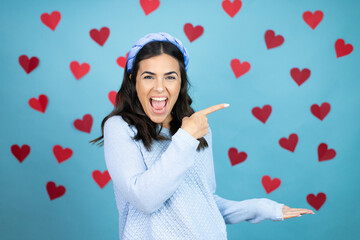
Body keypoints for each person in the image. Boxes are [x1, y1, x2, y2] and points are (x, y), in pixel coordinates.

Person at [90, 32, 314, 239]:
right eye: (149, 77)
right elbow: (145, 199)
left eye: (170, 77)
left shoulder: (196, 131)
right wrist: (186, 139)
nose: (159, 87)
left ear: (181, 82)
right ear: (133, 80)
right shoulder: (120, 127)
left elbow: (202, 202)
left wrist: (259, 208)